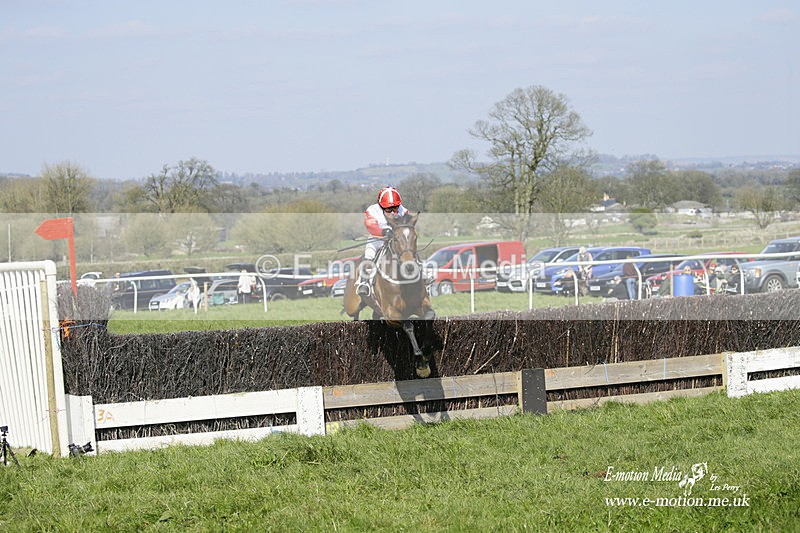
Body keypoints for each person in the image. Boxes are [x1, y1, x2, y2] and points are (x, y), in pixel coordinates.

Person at [354, 186, 409, 297]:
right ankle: (363, 282)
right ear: (381, 206)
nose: (393, 212)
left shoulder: (403, 210)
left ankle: (422, 275)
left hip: (396, 241)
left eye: (395, 208)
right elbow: (371, 226)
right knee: (369, 254)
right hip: (377, 240)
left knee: (409, 251)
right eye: (389, 209)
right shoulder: (372, 210)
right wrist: (384, 232)